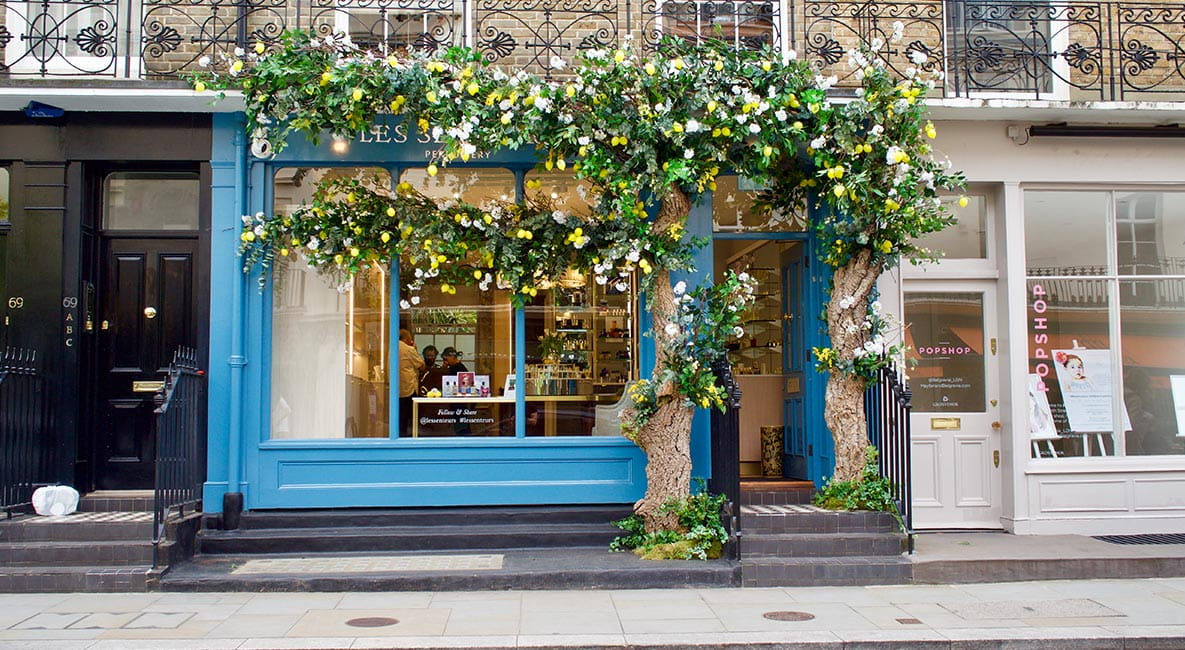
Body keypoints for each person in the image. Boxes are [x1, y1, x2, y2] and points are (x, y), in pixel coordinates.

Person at [398, 329, 425, 436]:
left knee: (399, 414)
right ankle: (410, 435)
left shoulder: (392, 347)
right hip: (408, 387)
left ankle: (400, 433)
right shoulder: (408, 349)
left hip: (396, 388)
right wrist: (415, 349)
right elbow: (422, 366)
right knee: (410, 414)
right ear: (407, 339)